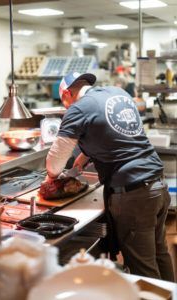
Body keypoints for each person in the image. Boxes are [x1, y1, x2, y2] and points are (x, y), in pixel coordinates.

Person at [45, 72, 174, 281]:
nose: (66, 106)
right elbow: (114, 134)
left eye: (64, 101)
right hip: (157, 184)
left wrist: (53, 176)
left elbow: (53, 165)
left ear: (67, 93)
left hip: (133, 194)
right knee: (160, 254)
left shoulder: (78, 109)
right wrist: (81, 160)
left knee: (143, 267)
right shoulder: (117, 93)